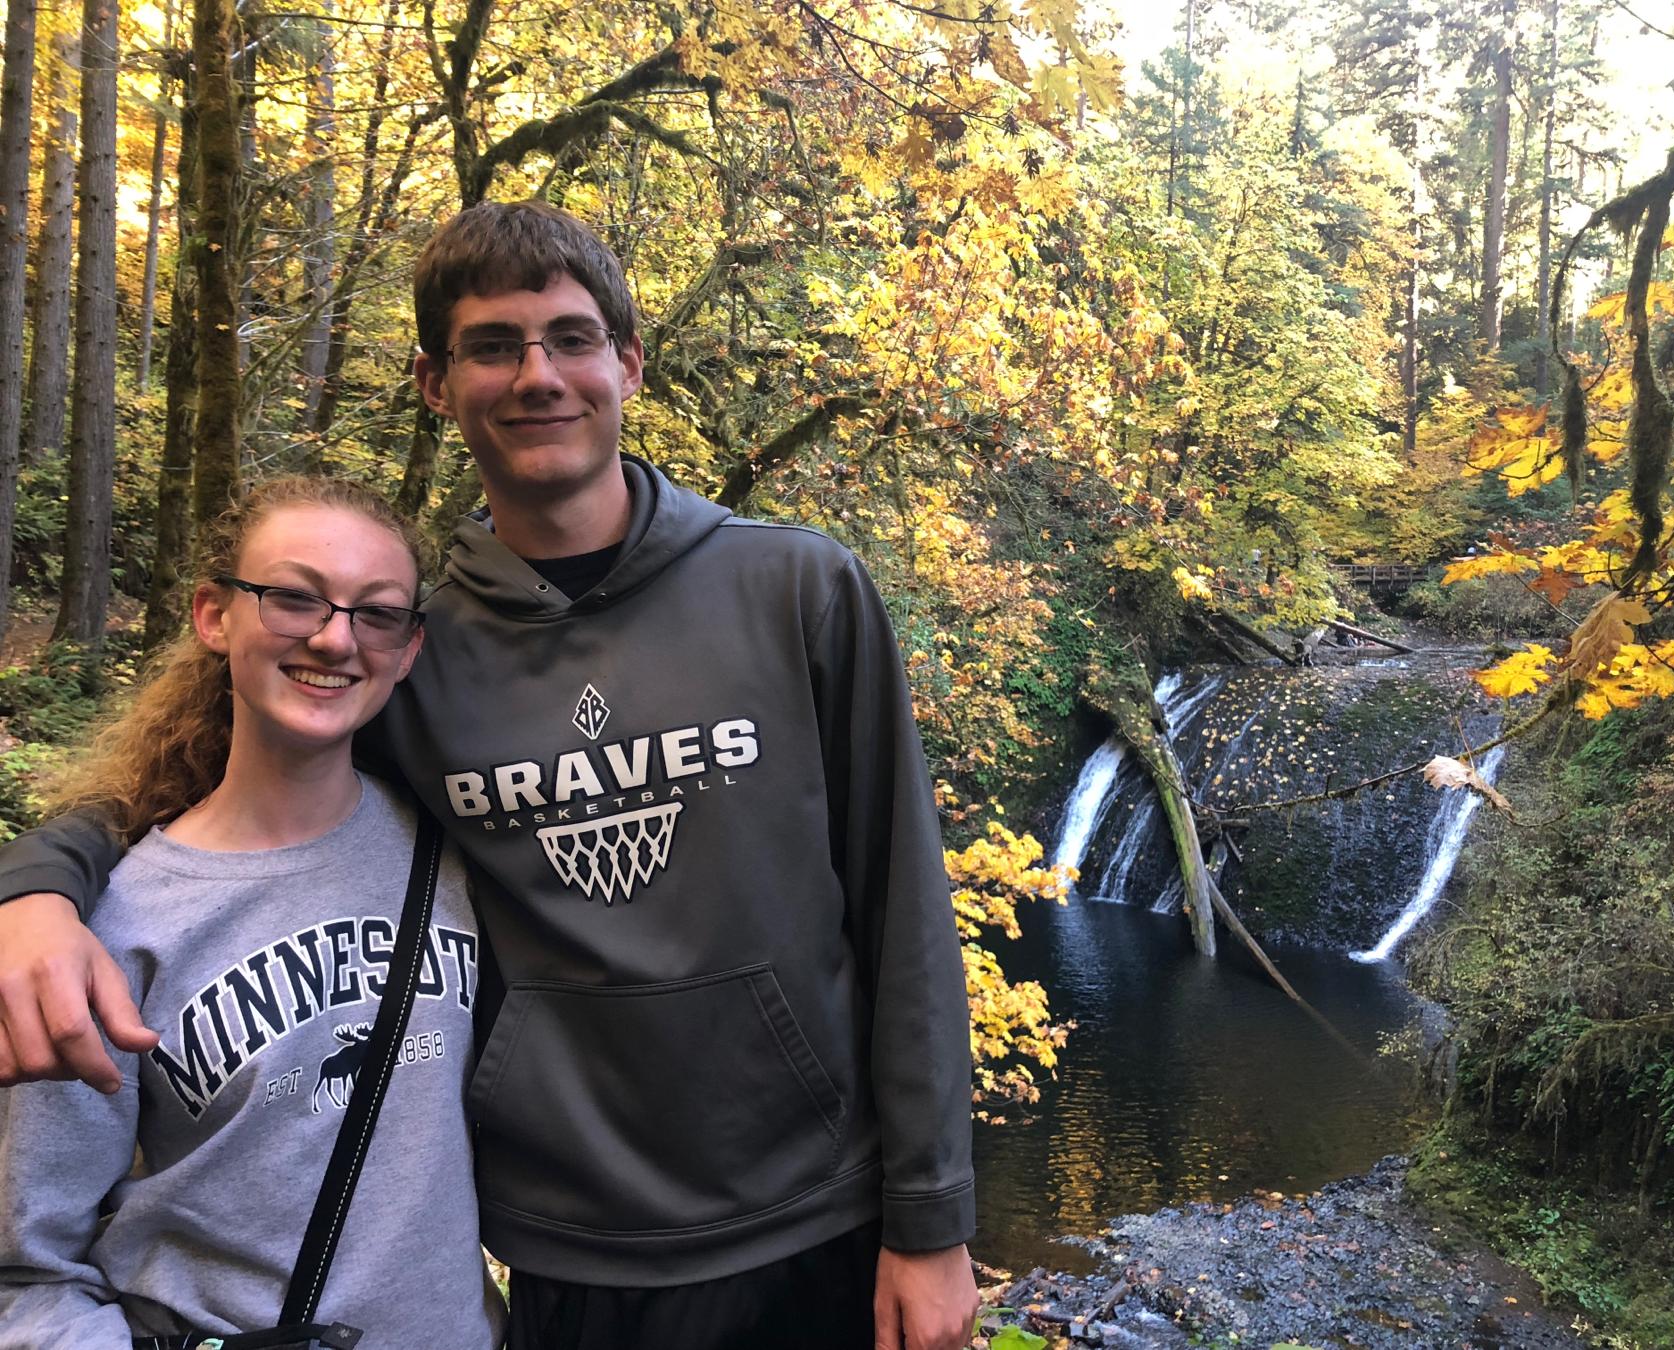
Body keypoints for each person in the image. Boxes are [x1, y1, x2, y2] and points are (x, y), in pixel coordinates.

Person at [0, 202, 981, 1350]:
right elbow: (195, 783)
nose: (537, 376)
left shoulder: (796, 590)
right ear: (434, 381)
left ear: (627, 362)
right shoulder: (406, 644)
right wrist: (35, 891)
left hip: (820, 1212)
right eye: (491, 346)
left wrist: (932, 1221)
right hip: (565, 1243)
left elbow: (905, 908)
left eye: (571, 338)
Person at [0, 477, 506, 1348]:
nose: (335, 637)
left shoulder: (461, 855)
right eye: (294, 598)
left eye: (375, 612)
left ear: (409, 647)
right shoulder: (110, 928)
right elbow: (28, 1267)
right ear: (213, 615)